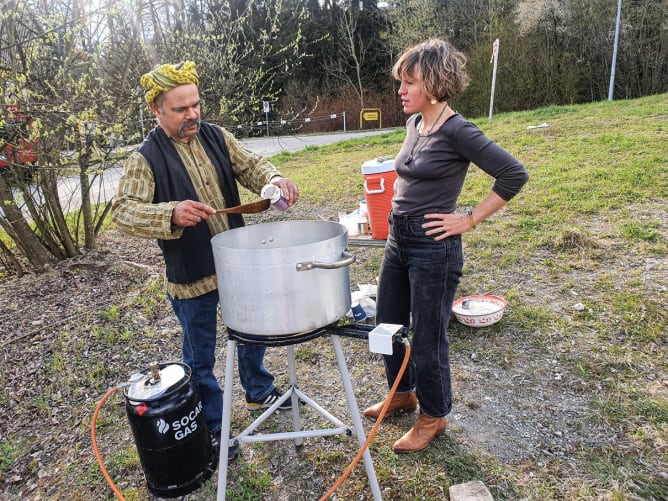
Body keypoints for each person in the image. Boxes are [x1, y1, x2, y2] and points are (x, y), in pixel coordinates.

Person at [111, 61, 299, 460]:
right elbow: (123, 211)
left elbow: (252, 164)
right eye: (180, 109)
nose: (192, 114)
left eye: (195, 104)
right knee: (200, 356)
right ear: (156, 110)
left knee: (254, 330)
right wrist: (170, 214)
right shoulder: (145, 158)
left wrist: (276, 178)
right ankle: (214, 425)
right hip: (191, 276)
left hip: (237, 262)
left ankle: (258, 390)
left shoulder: (216, 136)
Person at [362, 39, 529, 454]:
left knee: (429, 335)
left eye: (409, 81)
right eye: (401, 81)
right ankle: (401, 393)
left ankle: (432, 416)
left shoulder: (459, 130)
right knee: (387, 320)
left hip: (433, 248)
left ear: (433, 84)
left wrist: (467, 218)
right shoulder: (414, 124)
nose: (401, 89)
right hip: (399, 239)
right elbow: (408, 176)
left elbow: (513, 174)